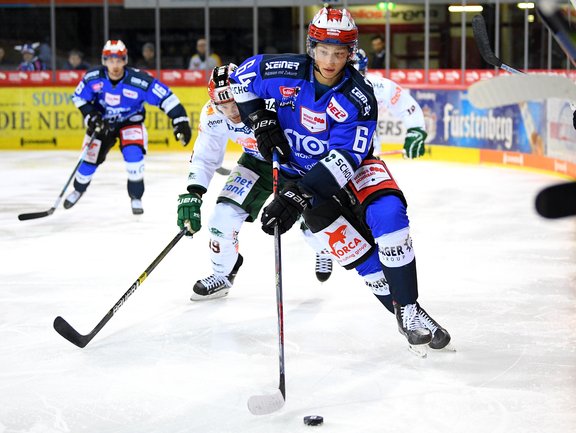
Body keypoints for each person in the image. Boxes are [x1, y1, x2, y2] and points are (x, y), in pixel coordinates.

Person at [229, 7, 450, 353]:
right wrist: (259, 119)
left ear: (351, 53)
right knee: (354, 250)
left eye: (340, 52)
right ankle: (405, 309)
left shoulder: (359, 96)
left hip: (354, 168)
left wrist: (298, 197)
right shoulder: (283, 70)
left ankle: (407, 306)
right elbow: (240, 79)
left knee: (389, 215)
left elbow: (345, 159)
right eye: (324, 50)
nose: (331, 60)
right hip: (297, 174)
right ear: (311, 47)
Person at [176, 63, 332, 301]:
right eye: (223, 105)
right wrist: (193, 192)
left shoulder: (269, 97)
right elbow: (205, 156)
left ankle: (321, 248)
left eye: (234, 103)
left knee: (314, 226)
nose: (231, 112)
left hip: (296, 162)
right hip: (256, 161)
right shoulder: (212, 115)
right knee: (222, 218)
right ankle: (222, 274)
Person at [66, 40, 192, 215]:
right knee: (88, 161)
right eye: (110, 60)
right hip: (102, 124)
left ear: (125, 60)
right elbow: (79, 98)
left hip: (130, 122)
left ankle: (136, 196)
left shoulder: (139, 80)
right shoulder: (93, 77)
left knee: (134, 157)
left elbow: (167, 98)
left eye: (119, 60)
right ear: (104, 61)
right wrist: (91, 115)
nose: (115, 65)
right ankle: (78, 189)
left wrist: (180, 120)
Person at [355, 48, 427, 157]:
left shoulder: (379, 86)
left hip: (368, 147)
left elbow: (407, 107)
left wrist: (416, 131)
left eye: (358, 76)